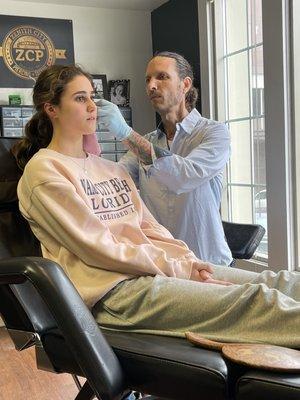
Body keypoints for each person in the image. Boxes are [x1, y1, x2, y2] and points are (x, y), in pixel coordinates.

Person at [15, 64, 300, 349]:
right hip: (115, 292)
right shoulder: (45, 171)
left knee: (278, 282)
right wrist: (178, 270)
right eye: (81, 98)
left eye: (93, 96)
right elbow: (97, 247)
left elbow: (150, 226)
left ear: (185, 85)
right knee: (260, 302)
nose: (93, 106)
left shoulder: (113, 169)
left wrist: (187, 264)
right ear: (51, 108)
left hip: (158, 270)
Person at [99, 52, 232, 266]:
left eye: (162, 77)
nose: (151, 86)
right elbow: (116, 177)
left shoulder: (214, 133)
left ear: (185, 84)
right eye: (148, 79)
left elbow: (183, 176)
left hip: (208, 262)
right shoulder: (148, 141)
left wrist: (126, 133)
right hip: (166, 264)